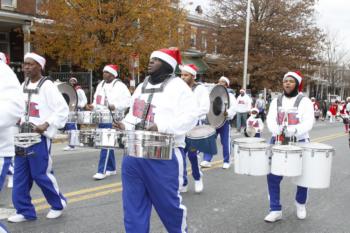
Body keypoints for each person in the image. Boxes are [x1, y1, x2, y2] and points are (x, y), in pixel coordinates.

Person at [113, 48, 197, 233]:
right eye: (150, 59)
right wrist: (124, 125)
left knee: (169, 207)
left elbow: (191, 117)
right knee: (133, 207)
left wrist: (161, 126)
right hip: (134, 154)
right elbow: (133, 115)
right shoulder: (142, 86)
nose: (150, 62)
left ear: (168, 65)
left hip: (164, 155)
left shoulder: (179, 86)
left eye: (156, 60)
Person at [8, 52, 69, 222]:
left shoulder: (47, 85)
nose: (26, 67)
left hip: (39, 138)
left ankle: (58, 203)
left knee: (40, 174)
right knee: (20, 175)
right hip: (22, 136)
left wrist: (46, 124)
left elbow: (62, 109)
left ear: (39, 66)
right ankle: (24, 210)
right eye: (24, 64)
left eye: (30, 64)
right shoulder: (23, 84)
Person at [265, 71, 314, 222]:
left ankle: (300, 204)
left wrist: (295, 130)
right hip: (279, 140)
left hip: (300, 141)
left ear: (297, 84)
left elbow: (309, 122)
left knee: (302, 176)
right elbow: (270, 119)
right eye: (285, 80)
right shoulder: (276, 101)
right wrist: (276, 129)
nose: (287, 83)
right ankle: (275, 209)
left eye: (291, 81)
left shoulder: (304, 101)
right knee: (273, 176)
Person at [86, 64, 131, 180]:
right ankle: (111, 168)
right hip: (101, 117)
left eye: (106, 72)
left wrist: (115, 106)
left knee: (105, 143)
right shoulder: (100, 84)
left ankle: (102, 170)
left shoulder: (120, 86)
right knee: (106, 142)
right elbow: (97, 101)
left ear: (112, 74)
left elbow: (128, 102)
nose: (104, 74)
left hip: (113, 118)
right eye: (103, 72)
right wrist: (93, 106)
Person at [179, 64, 210, 193]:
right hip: (180, 127)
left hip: (194, 127)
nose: (183, 77)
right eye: (181, 75)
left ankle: (197, 178)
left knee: (192, 155)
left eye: (186, 75)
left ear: (193, 76)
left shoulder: (200, 89)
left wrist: (190, 115)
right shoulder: (179, 89)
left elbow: (205, 108)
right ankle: (184, 182)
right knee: (180, 156)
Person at [0, 54, 19, 233]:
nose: (26, 68)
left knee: (39, 172)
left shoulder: (3, 72)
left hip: (0, 148)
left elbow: (13, 107)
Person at [200, 76, 237, 169]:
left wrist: (228, 113)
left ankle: (226, 161)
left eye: (223, 82)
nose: (220, 83)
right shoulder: (212, 93)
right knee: (209, 141)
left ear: (227, 85)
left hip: (224, 121)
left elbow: (234, 108)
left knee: (225, 142)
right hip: (213, 121)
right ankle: (207, 160)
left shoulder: (230, 96)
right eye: (219, 81)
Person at [63, 77, 88, 151]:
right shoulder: (69, 90)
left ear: (76, 82)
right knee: (71, 127)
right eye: (71, 81)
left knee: (74, 127)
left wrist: (79, 106)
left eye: (74, 81)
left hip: (76, 110)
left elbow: (84, 100)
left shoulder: (79, 90)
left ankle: (72, 145)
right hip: (70, 110)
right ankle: (73, 143)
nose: (72, 82)